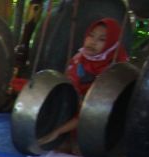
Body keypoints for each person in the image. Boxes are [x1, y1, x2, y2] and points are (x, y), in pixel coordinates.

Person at [37, 18, 128, 149]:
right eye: (91, 35)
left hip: (100, 128)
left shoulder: (116, 73)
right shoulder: (78, 60)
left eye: (102, 39)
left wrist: (58, 131)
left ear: (111, 43)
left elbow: (93, 111)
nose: (93, 42)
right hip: (74, 118)